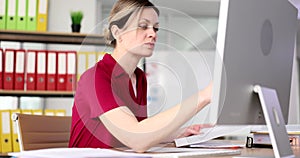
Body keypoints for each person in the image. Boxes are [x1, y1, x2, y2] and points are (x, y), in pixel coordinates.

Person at [69, 0, 213, 153]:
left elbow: (140, 131)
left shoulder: (139, 77)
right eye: (143, 26)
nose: (153, 34)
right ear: (118, 33)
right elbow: (137, 139)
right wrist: (204, 96)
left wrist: (178, 133)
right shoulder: (95, 77)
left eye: (156, 28)